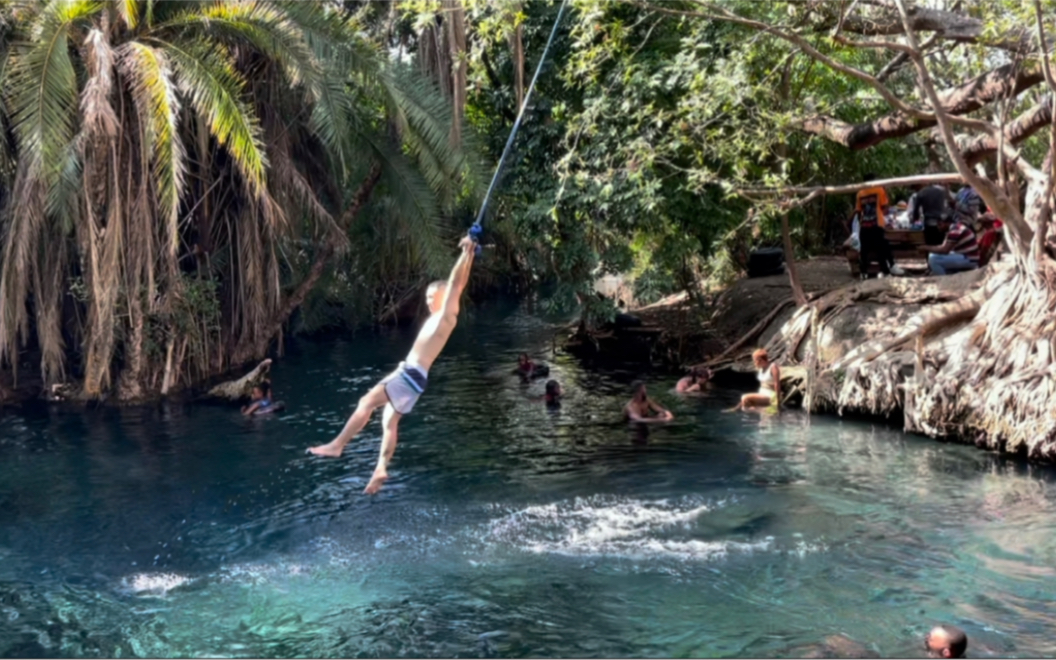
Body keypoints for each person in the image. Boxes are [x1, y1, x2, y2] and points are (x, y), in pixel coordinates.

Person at [307, 235, 477, 494]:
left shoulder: (446, 315)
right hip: (415, 379)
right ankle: (381, 468)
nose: (429, 301)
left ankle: (337, 445)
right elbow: (460, 282)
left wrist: (466, 251)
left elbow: (456, 283)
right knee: (388, 422)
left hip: (410, 375)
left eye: (434, 295)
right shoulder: (440, 316)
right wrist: (470, 253)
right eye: (427, 297)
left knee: (366, 402)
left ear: (446, 295)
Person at [854, 174, 904, 277]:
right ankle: (887, 270)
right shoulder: (879, 190)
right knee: (881, 247)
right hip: (877, 223)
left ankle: (863, 273)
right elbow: (884, 206)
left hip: (864, 225)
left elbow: (858, 211)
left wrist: (861, 223)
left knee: (864, 249)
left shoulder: (860, 193)